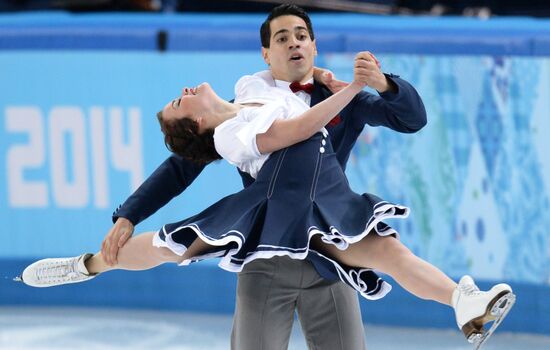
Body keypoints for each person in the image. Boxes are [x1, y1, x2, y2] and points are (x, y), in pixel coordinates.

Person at [20, 54, 515, 349]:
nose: (295, 45)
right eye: (283, 38)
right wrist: (127, 215)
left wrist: (375, 84)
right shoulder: (232, 132)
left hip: (329, 212)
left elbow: (410, 118)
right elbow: (187, 166)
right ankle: (86, 265)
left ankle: (463, 302)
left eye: (302, 35)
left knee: (393, 255)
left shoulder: (266, 90)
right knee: (169, 247)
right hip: (271, 223)